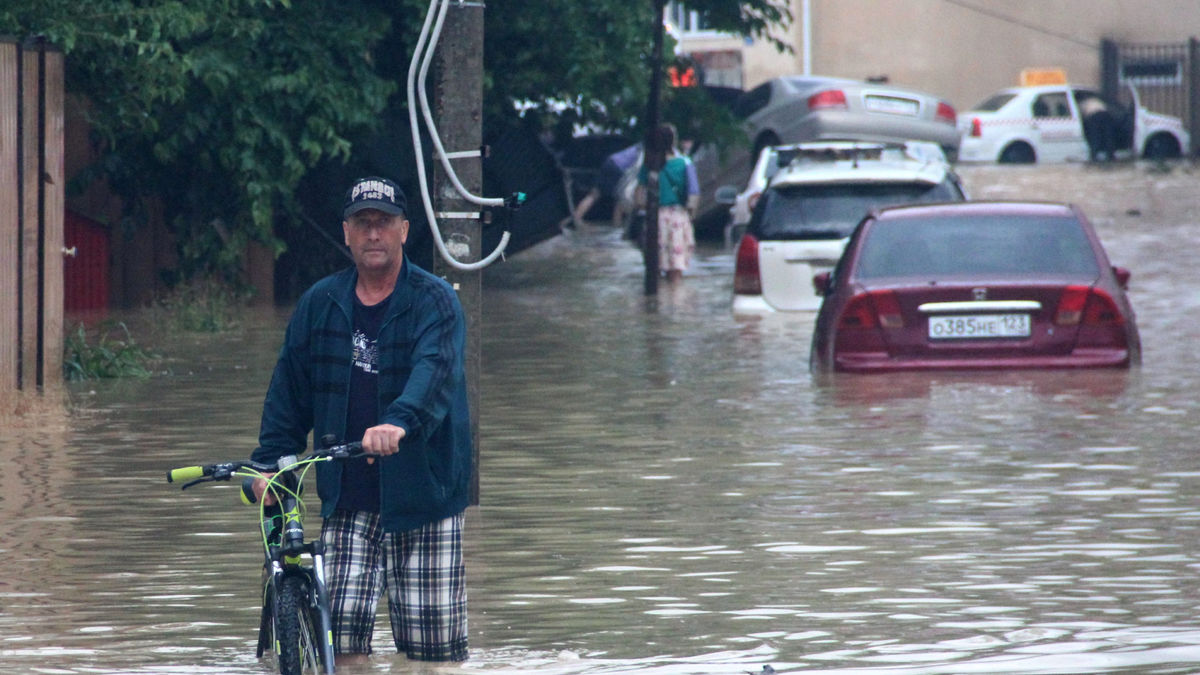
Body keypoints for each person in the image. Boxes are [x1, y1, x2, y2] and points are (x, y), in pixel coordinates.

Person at [253, 176, 471, 664]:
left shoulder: (435, 301)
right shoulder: (320, 305)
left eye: (384, 222)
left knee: (432, 659)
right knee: (339, 648)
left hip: (424, 500)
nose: (374, 233)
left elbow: (433, 373)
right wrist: (268, 464)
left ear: (404, 231)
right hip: (346, 499)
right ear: (347, 233)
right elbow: (288, 395)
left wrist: (398, 422)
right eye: (363, 223)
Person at [636, 123, 700, 282]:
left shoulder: (649, 164)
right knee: (675, 273)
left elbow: (638, 196)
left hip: (654, 218)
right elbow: (693, 195)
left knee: (653, 272)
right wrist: (689, 217)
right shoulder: (685, 163)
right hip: (678, 219)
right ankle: (676, 305)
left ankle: (654, 305)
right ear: (673, 141)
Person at [563, 142, 641, 229]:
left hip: (611, 162)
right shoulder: (644, 151)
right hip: (618, 168)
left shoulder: (639, 147)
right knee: (619, 198)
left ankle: (577, 217)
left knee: (595, 194)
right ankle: (617, 225)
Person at [1079, 94, 1116, 162]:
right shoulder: (1097, 101)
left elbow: (1082, 117)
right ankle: (1111, 155)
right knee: (1108, 136)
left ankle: (1094, 155)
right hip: (1106, 115)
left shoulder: (1082, 103)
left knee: (1095, 136)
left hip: (1094, 116)